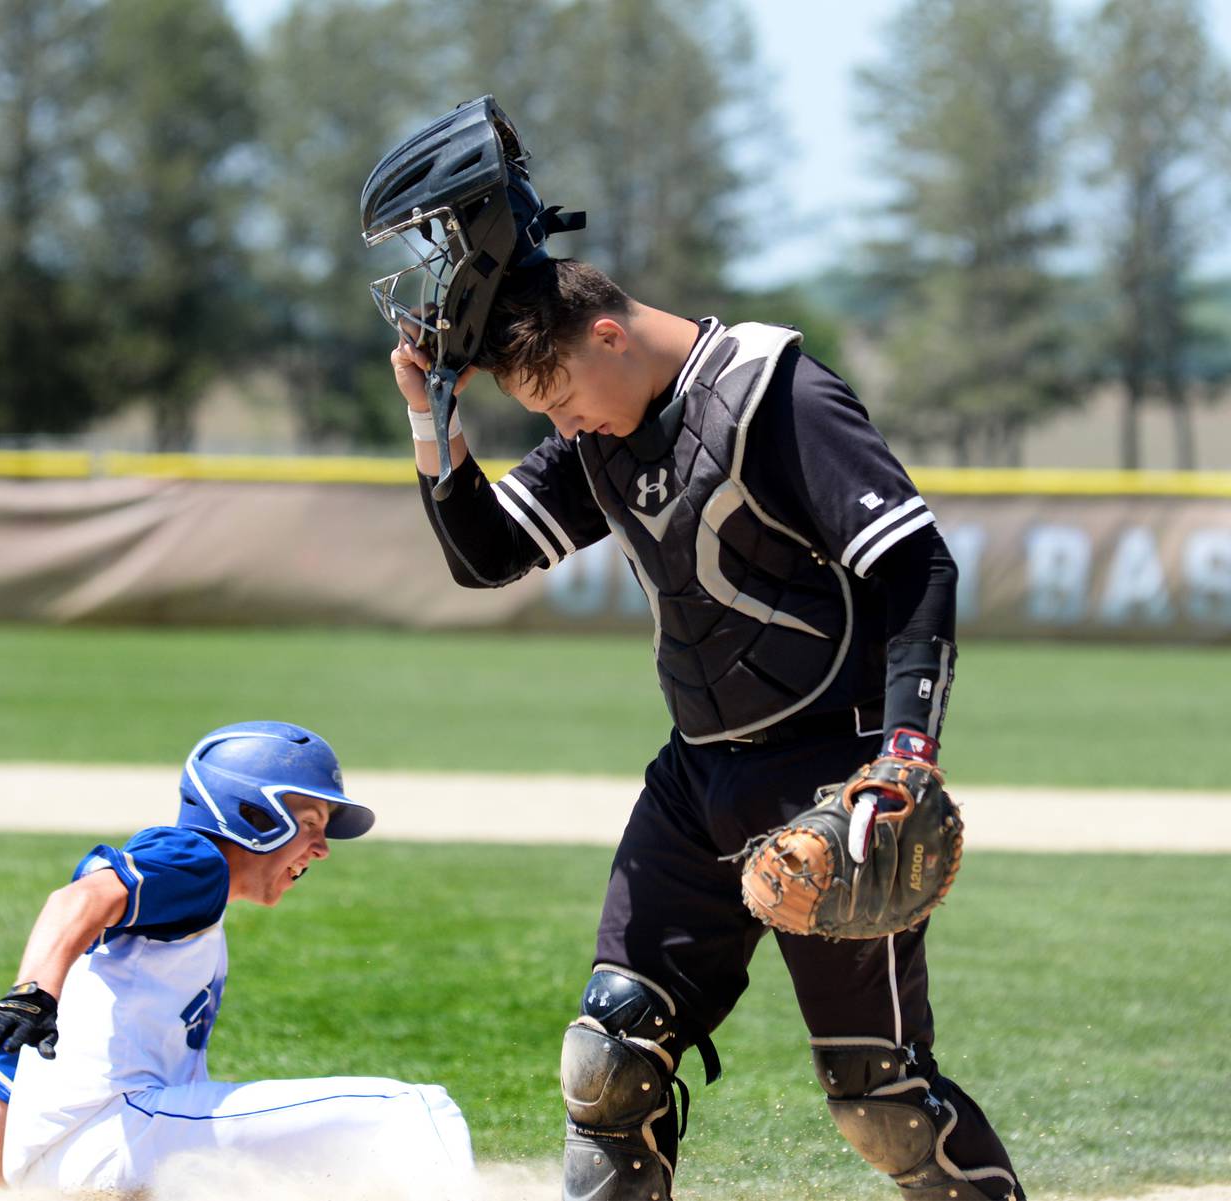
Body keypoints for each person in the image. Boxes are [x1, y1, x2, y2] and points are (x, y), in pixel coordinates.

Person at [365, 101, 1024, 1201]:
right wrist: (435, 426)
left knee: (882, 1104)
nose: (566, 429)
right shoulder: (607, 423)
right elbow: (485, 555)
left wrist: (907, 755)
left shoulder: (772, 392)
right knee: (608, 1058)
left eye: (565, 399)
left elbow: (917, 568)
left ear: (610, 335)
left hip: (828, 779)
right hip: (695, 777)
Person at [0, 721, 475, 1196]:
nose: (322, 848)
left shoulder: (163, 919)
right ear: (253, 813)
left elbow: (12, 1075)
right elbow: (77, 899)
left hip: (84, 1159)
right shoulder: (196, 862)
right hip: (119, 1137)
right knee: (413, 1112)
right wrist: (31, 994)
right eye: (310, 822)